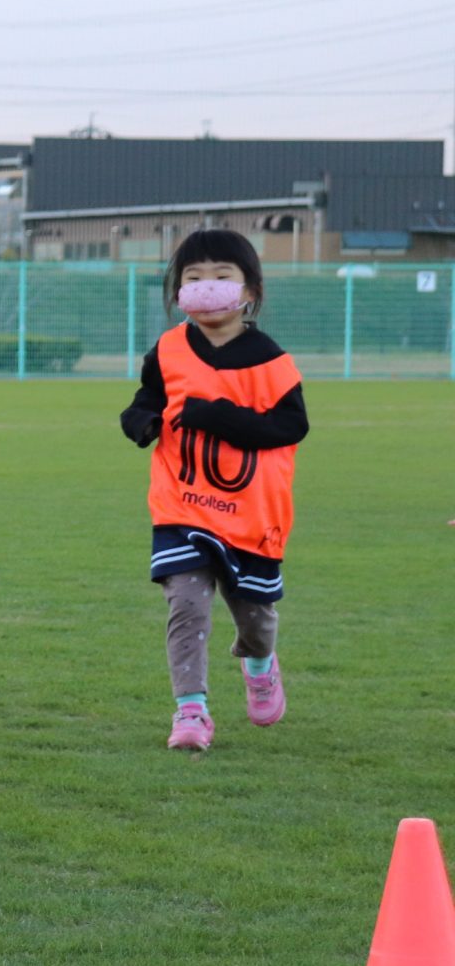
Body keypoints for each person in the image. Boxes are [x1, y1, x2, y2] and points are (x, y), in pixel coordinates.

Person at [119, 230, 306, 752]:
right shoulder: (169, 349)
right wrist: (141, 423)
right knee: (187, 605)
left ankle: (260, 664)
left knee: (255, 617)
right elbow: (145, 400)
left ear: (250, 290)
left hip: (252, 514)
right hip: (181, 504)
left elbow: (291, 427)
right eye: (193, 276)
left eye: (222, 275)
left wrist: (219, 417)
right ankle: (191, 710)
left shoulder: (271, 361)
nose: (207, 285)